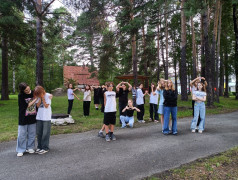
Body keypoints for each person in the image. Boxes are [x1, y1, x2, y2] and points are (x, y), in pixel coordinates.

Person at [16, 82, 38, 157]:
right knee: (22, 134)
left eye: (28, 89)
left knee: (32, 133)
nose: (28, 91)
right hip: (23, 117)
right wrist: (35, 100)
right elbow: (27, 105)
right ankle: (20, 149)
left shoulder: (34, 93)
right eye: (26, 90)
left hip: (32, 116)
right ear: (22, 91)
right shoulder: (21, 95)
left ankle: (30, 147)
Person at [34, 86, 53, 154]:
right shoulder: (38, 97)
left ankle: (45, 147)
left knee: (45, 133)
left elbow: (46, 106)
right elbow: (38, 106)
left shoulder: (48, 95)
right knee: (39, 132)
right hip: (39, 117)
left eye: (39, 93)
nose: (38, 95)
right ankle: (40, 147)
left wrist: (43, 98)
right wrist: (40, 98)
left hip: (46, 117)